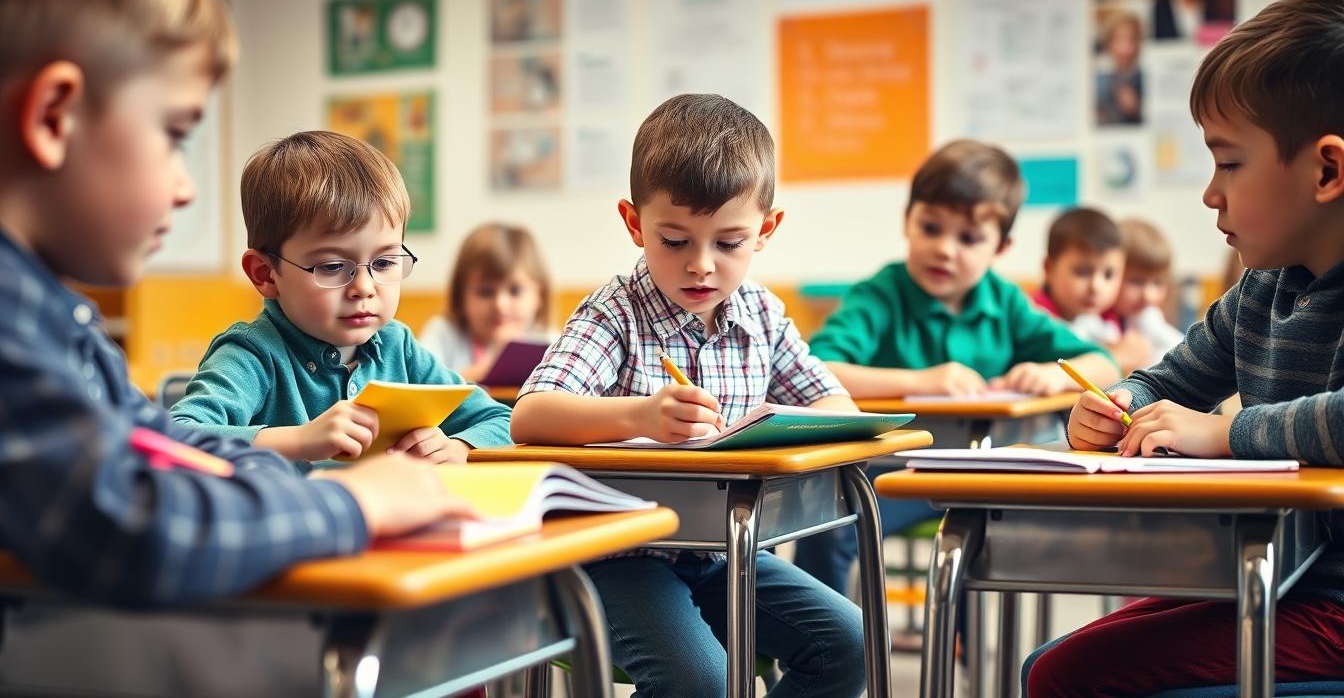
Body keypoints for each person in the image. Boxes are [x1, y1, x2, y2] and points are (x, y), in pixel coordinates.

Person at [0, 0, 474, 605]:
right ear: (54, 116)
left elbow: (169, 446)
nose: (186, 186)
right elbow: (134, 526)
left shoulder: (53, 320)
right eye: (174, 135)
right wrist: (350, 505)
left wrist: (355, 482)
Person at [1025, 0, 1344, 696]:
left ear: (1327, 169)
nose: (1210, 191)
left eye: (1229, 161)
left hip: (1326, 603)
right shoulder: (1262, 287)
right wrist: (1115, 401)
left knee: (1062, 676)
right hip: (1273, 574)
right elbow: (1167, 381)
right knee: (1045, 666)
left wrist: (1225, 434)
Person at [510, 94, 866, 698]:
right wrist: (640, 415)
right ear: (633, 223)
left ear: (766, 231)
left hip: (722, 552)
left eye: (729, 243)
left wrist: (769, 427)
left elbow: (840, 411)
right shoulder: (615, 312)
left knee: (850, 644)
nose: (701, 266)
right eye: (675, 241)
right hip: (616, 556)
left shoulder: (762, 314)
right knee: (703, 684)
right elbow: (529, 416)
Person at [791, 140, 1119, 595]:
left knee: (978, 534)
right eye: (930, 227)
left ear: (1001, 247)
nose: (944, 249)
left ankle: (960, 644)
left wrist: (1052, 374)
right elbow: (819, 367)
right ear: (908, 221)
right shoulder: (882, 294)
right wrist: (919, 382)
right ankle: (828, 652)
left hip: (980, 475)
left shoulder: (1004, 302)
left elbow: (1103, 361)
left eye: (968, 238)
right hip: (885, 474)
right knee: (834, 529)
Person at [171, 132, 512, 468]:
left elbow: (502, 420)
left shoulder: (398, 347)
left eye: (383, 263)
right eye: (332, 267)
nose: (364, 287)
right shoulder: (252, 354)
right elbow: (175, 437)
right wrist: (299, 440)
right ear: (265, 274)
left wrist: (458, 446)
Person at [418, 222, 550, 381]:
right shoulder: (443, 334)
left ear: (539, 296)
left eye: (515, 291)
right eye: (485, 292)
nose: (500, 305)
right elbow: (425, 385)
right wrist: (497, 362)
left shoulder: (550, 343)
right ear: (460, 297)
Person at [1032, 207, 1127, 347]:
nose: (1096, 286)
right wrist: (1117, 356)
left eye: (1108, 275)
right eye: (1082, 272)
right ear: (1049, 269)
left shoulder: (1115, 316)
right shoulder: (1034, 317)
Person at [1109, 218, 1186, 373]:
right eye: (1136, 281)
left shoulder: (1148, 317)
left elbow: (1182, 350)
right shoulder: (1094, 320)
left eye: (1158, 282)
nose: (1148, 296)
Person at [1096, 9, 1144, 126]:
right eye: (1120, 40)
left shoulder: (1144, 79)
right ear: (1109, 44)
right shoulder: (1099, 84)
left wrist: (1137, 109)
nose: (1126, 49)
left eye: (1132, 39)